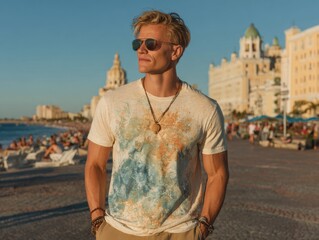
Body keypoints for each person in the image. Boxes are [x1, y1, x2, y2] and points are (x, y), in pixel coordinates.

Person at [85, 10, 229, 240]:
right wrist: (98, 221)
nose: (141, 49)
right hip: (119, 231)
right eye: (137, 43)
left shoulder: (205, 109)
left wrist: (201, 229)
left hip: (179, 232)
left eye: (150, 43)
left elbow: (218, 174)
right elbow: (95, 165)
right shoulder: (113, 102)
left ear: (175, 51)